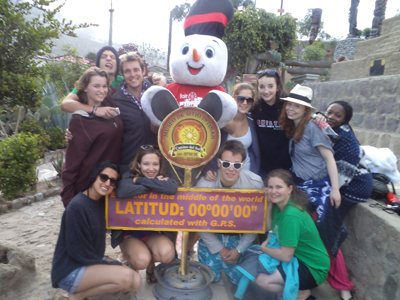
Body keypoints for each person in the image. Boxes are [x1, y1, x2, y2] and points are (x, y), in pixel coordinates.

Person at [52, 161, 142, 300]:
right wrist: (110, 264)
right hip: (71, 269)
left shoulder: (100, 202)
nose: (107, 183)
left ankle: (82, 293)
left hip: (89, 260)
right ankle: (78, 295)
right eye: (103, 177)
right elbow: (78, 252)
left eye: (112, 181)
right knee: (126, 276)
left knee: (135, 281)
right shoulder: (77, 207)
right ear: (95, 176)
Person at [278, 84, 342, 256]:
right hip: (301, 184)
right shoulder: (295, 125)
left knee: (320, 229)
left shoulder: (313, 127)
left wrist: (335, 190)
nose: (291, 108)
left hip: (317, 186)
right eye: (289, 104)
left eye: (297, 106)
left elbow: (329, 158)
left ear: (305, 109)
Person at [254, 169, 330, 300]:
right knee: (259, 267)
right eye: (270, 187)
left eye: (279, 187)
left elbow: (286, 255)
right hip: (297, 258)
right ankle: (297, 290)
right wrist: (269, 204)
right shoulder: (279, 205)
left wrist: (264, 249)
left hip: (312, 268)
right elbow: (269, 228)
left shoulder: (290, 215)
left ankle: (300, 292)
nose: (273, 191)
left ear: (290, 189)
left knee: (262, 281)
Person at [196, 140, 264, 284]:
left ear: (243, 164)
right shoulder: (204, 185)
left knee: (240, 280)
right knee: (210, 277)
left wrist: (239, 250)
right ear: (219, 163)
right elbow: (199, 222)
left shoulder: (255, 183)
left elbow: (256, 223)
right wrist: (220, 249)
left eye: (236, 165)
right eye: (226, 164)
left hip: (239, 236)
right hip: (212, 235)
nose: (231, 169)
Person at [324, 101, 373, 300]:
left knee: (329, 223)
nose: (331, 117)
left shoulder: (345, 139)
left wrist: (329, 191)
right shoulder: (331, 131)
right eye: (329, 112)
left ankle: (338, 232)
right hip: (345, 184)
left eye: (338, 115)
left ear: (345, 120)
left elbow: (343, 177)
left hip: (355, 187)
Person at [60, 67, 123, 207]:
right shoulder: (80, 120)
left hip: (109, 185)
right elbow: (71, 165)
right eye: (96, 86)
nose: (102, 90)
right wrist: (69, 202)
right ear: (85, 88)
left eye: (104, 86)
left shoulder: (108, 104)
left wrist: (155, 78)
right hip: (88, 189)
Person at [115, 145, 177, 284]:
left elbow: (172, 188)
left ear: (160, 165)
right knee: (141, 260)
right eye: (146, 164)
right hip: (130, 234)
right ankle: (137, 262)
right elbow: (122, 192)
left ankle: (150, 266)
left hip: (152, 232)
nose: (151, 168)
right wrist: (154, 184)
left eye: (155, 164)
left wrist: (140, 181)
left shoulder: (162, 176)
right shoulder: (129, 175)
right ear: (139, 164)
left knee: (168, 254)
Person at [61, 46, 165, 120]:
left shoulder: (122, 81)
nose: (108, 58)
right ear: (98, 63)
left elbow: (141, 79)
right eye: (104, 56)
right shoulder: (89, 82)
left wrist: (159, 78)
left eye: (112, 57)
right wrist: (94, 110)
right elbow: (66, 104)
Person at [205, 82, 260, 178]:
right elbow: (211, 147)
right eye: (241, 99)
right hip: (223, 174)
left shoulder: (252, 120)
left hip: (246, 173)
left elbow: (254, 151)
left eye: (249, 100)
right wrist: (209, 168)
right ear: (233, 98)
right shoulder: (222, 120)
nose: (245, 103)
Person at [251, 70, 291, 180]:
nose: (266, 91)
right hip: (262, 167)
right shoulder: (255, 107)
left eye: (270, 86)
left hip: (284, 166)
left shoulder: (286, 107)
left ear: (277, 87)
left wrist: (318, 116)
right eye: (262, 87)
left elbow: (303, 113)